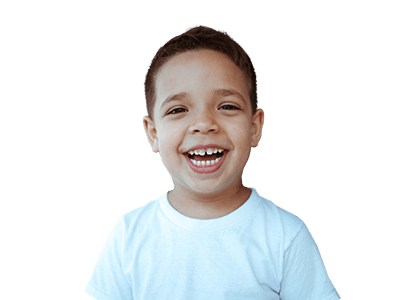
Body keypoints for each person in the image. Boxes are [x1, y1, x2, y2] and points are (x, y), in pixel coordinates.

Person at [85, 25, 341, 300]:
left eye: (227, 106)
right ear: (154, 133)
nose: (204, 124)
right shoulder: (129, 234)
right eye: (178, 109)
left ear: (254, 127)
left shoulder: (285, 236)